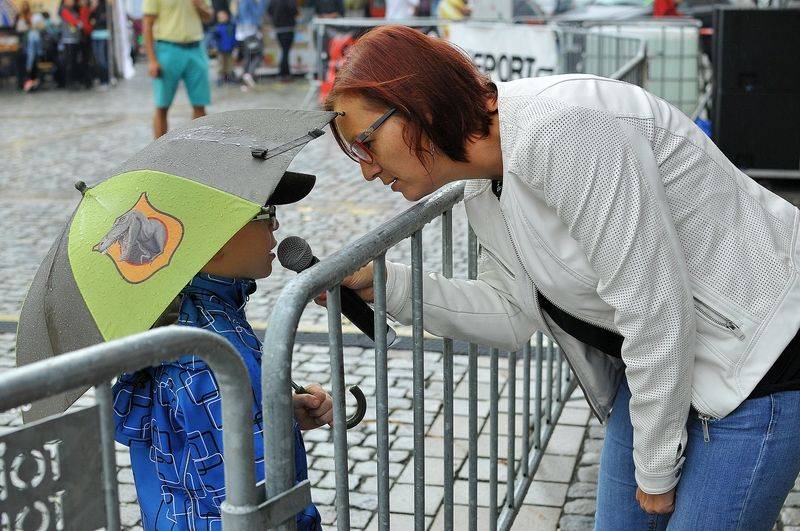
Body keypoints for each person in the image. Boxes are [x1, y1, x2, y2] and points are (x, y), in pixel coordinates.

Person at [325, 25, 800, 529]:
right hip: (666, 367)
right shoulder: (483, 180)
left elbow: (653, 307)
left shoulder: (562, 129)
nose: (367, 171)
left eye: (365, 144)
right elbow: (512, 313)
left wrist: (656, 468)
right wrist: (387, 285)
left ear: (419, 105)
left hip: (756, 360)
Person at [112, 173, 327, 530]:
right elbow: (263, 504)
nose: (276, 226)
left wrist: (277, 413)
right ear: (214, 236)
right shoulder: (211, 355)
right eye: (265, 212)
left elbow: (194, 437)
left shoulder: (179, 316)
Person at [142, 0, 213, 138]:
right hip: (167, 49)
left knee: (200, 104)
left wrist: (199, 5)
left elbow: (209, 16)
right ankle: (158, 149)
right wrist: (152, 60)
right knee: (162, 105)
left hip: (196, 49)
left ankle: (200, 148)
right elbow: (147, 24)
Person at [234, 0, 266, 90]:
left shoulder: (239, 2)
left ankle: (246, 77)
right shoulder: (248, 1)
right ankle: (249, 74)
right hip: (251, 32)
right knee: (258, 55)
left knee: (248, 56)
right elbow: (257, 14)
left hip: (241, 33)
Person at [267, 0, 297, 82]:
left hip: (278, 28)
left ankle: (285, 72)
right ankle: (283, 73)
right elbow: (294, 11)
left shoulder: (273, 1)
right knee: (285, 52)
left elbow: (269, 11)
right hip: (288, 28)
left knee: (284, 51)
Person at [211, 9, 235, 84]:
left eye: (224, 16)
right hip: (220, 49)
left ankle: (229, 77)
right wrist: (214, 46)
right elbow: (214, 39)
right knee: (221, 64)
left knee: (229, 64)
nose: (222, 18)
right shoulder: (217, 28)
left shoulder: (230, 26)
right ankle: (221, 77)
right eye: (220, 17)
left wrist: (235, 46)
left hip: (229, 48)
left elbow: (233, 37)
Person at [89, 0, 110, 86]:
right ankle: (99, 78)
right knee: (96, 58)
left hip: (103, 35)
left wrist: (96, 21)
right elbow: (90, 20)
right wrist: (92, 9)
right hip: (95, 35)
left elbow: (104, 20)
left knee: (102, 58)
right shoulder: (92, 9)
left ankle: (105, 80)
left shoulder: (104, 7)